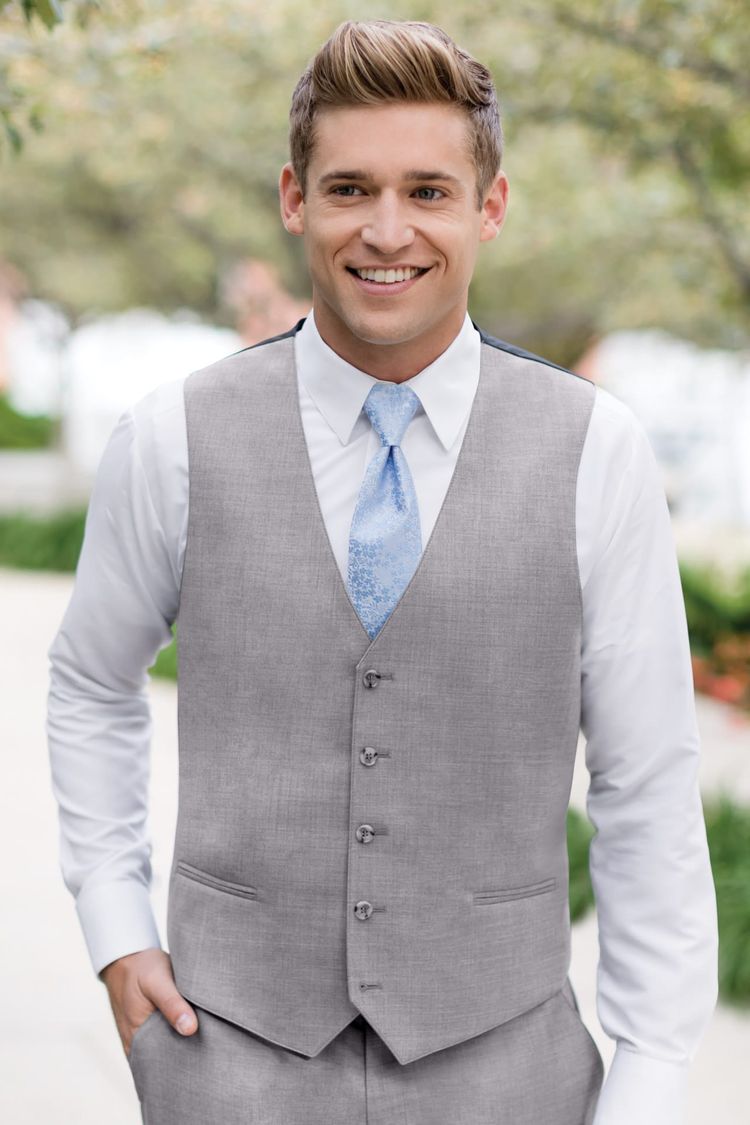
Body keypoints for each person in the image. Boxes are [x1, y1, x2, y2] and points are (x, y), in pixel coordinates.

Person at [46, 18, 718, 1125]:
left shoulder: (598, 451)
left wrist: (647, 1081)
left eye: (429, 191)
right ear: (294, 199)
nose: (388, 230)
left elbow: (645, 779)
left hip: (512, 1075)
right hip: (227, 1062)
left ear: (490, 207)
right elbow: (89, 679)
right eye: (350, 188)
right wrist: (118, 932)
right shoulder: (171, 437)